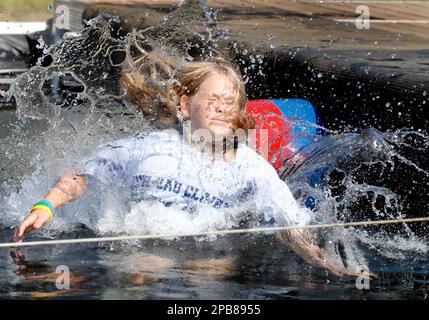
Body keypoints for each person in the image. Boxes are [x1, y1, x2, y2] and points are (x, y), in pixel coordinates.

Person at [13, 53, 357, 276]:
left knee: (211, 272)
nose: (224, 109)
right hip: (141, 245)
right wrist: (46, 204)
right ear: (185, 104)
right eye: (214, 100)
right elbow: (81, 175)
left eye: (231, 102)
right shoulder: (148, 149)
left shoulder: (252, 168)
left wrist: (323, 261)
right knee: (142, 266)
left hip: (211, 254)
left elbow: (287, 223)